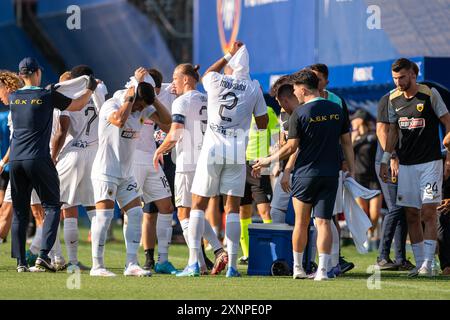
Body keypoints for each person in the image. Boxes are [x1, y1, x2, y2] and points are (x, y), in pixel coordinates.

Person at [253, 69, 355, 281]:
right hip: (330, 174)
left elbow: (291, 147)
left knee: (301, 222)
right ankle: (324, 271)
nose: (295, 93)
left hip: (305, 174)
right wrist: (351, 170)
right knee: (324, 222)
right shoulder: (337, 108)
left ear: (303, 89)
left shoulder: (299, 113)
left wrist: (267, 160)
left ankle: (298, 268)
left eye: (296, 89)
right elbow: (346, 142)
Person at [188, 41, 268, 278]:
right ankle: (232, 266)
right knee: (232, 208)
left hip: (211, 148)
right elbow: (262, 124)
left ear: (230, 66)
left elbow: (207, 73)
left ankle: (194, 262)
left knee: (198, 205)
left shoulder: (215, 80)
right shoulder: (254, 87)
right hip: (236, 151)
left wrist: (227, 54)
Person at [9, 57, 97, 272]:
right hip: (38, 158)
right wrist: (90, 89)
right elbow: (77, 105)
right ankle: (43, 257)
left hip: (16, 160)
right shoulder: (46, 95)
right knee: (52, 206)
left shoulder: (13, 97)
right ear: (38, 72)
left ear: (21, 75)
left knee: (20, 212)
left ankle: (21, 263)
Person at [90, 68, 171, 277]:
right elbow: (118, 121)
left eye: (144, 107)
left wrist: (152, 100)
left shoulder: (141, 109)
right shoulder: (113, 104)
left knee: (136, 214)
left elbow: (168, 121)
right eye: (139, 104)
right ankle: (97, 267)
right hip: (105, 171)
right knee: (104, 217)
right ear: (132, 96)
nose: (141, 110)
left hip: (125, 174)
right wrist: (128, 100)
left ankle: (131, 264)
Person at [153, 63, 228, 276]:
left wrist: (160, 150)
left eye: (176, 78)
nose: (173, 83)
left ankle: (195, 263)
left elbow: (175, 133)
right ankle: (213, 255)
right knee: (196, 211)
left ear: (186, 79)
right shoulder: (208, 99)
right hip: (207, 161)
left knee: (185, 212)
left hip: (187, 162)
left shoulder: (182, 102)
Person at [380, 58, 450, 277]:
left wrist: (448, 157)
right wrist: (386, 158)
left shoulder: (430, 94)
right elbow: (392, 131)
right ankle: (420, 264)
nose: (398, 81)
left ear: (413, 74)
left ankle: (429, 264)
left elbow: (448, 122)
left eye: (401, 77)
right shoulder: (392, 99)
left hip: (430, 163)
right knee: (411, 214)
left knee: (429, 212)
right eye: (394, 78)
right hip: (406, 165)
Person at [49, 65, 108, 271]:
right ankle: (97, 263)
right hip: (96, 153)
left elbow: (63, 130)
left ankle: (68, 260)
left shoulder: (69, 94)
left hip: (73, 153)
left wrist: (53, 156)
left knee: (65, 207)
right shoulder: (100, 88)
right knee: (95, 207)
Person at [308, 63, 354, 275]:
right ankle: (307, 263)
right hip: (306, 167)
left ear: (326, 81)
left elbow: (345, 137)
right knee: (309, 219)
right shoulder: (302, 99)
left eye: (318, 78)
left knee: (327, 216)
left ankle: (333, 262)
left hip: (331, 165)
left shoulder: (337, 101)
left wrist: (348, 164)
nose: (314, 82)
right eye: (311, 78)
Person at [131, 68, 176, 275]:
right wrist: (139, 85)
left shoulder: (157, 98)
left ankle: (163, 260)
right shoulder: (129, 91)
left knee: (166, 206)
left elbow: (168, 126)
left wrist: (154, 97)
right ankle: (134, 260)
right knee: (135, 211)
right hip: (132, 159)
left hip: (152, 159)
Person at [375, 92, 412, 271]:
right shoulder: (388, 99)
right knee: (395, 208)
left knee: (403, 209)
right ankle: (382, 256)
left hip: (405, 161)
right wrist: (392, 156)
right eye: (397, 78)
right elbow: (382, 130)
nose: (399, 81)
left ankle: (400, 258)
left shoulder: (416, 98)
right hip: (387, 161)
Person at [238, 105, 278, 264]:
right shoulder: (240, 110)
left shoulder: (267, 111)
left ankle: (272, 252)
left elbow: (276, 138)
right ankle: (247, 254)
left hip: (260, 165)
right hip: (240, 165)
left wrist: (272, 163)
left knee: (265, 211)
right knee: (243, 211)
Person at [351, 109, 383, 251]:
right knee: (363, 212)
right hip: (358, 178)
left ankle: (371, 233)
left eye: (355, 120)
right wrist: (353, 137)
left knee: (375, 213)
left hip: (374, 178)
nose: (352, 122)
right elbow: (347, 153)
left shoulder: (373, 136)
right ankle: (365, 238)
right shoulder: (352, 137)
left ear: (361, 120)